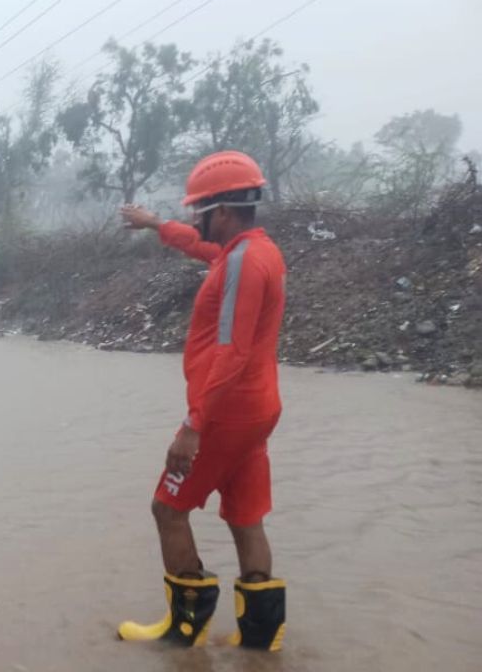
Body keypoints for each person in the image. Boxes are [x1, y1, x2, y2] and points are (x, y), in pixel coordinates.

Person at [116, 150, 288, 651]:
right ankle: (261, 639)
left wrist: (193, 426)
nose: (196, 218)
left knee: (167, 508)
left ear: (226, 210)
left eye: (201, 209)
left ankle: (184, 629)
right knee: (244, 515)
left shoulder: (242, 263)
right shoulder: (256, 251)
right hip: (256, 411)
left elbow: (230, 352)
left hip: (223, 415)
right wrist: (156, 225)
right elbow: (201, 247)